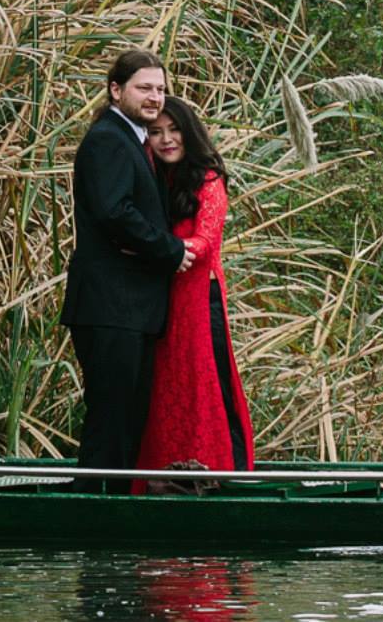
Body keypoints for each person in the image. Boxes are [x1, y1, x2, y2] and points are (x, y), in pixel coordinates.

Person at [66, 48, 188, 472]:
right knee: (111, 420)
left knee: (125, 421)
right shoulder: (108, 140)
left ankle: (108, 518)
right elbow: (114, 212)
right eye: (144, 88)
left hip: (128, 307)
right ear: (116, 90)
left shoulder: (132, 141)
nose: (155, 97)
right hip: (110, 305)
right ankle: (94, 521)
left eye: (160, 89)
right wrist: (172, 250)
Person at [137, 96, 254, 480]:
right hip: (163, 297)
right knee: (167, 385)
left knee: (208, 383)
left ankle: (224, 470)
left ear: (190, 134)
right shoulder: (154, 176)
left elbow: (206, 238)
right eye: (157, 132)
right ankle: (162, 472)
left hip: (201, 298)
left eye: (175, 131)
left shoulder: (207, 177)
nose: (167, 139)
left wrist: (169, 250)